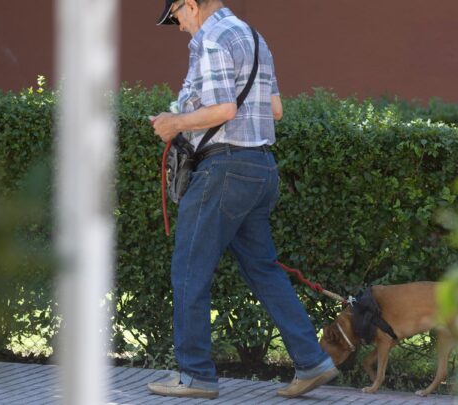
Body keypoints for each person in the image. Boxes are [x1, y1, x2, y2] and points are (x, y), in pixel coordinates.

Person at [146, 0, 338, 400]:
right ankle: (311, 360)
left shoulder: (210, 39)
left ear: (192, 5)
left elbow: (224, 109)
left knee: (188, 269)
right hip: (261, 169)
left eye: (176, 17)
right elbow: (276, 110)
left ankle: (195, 375)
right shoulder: (254, 37)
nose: (179, 27)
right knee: (263, 269)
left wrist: (174, 123)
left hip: (224, 170)